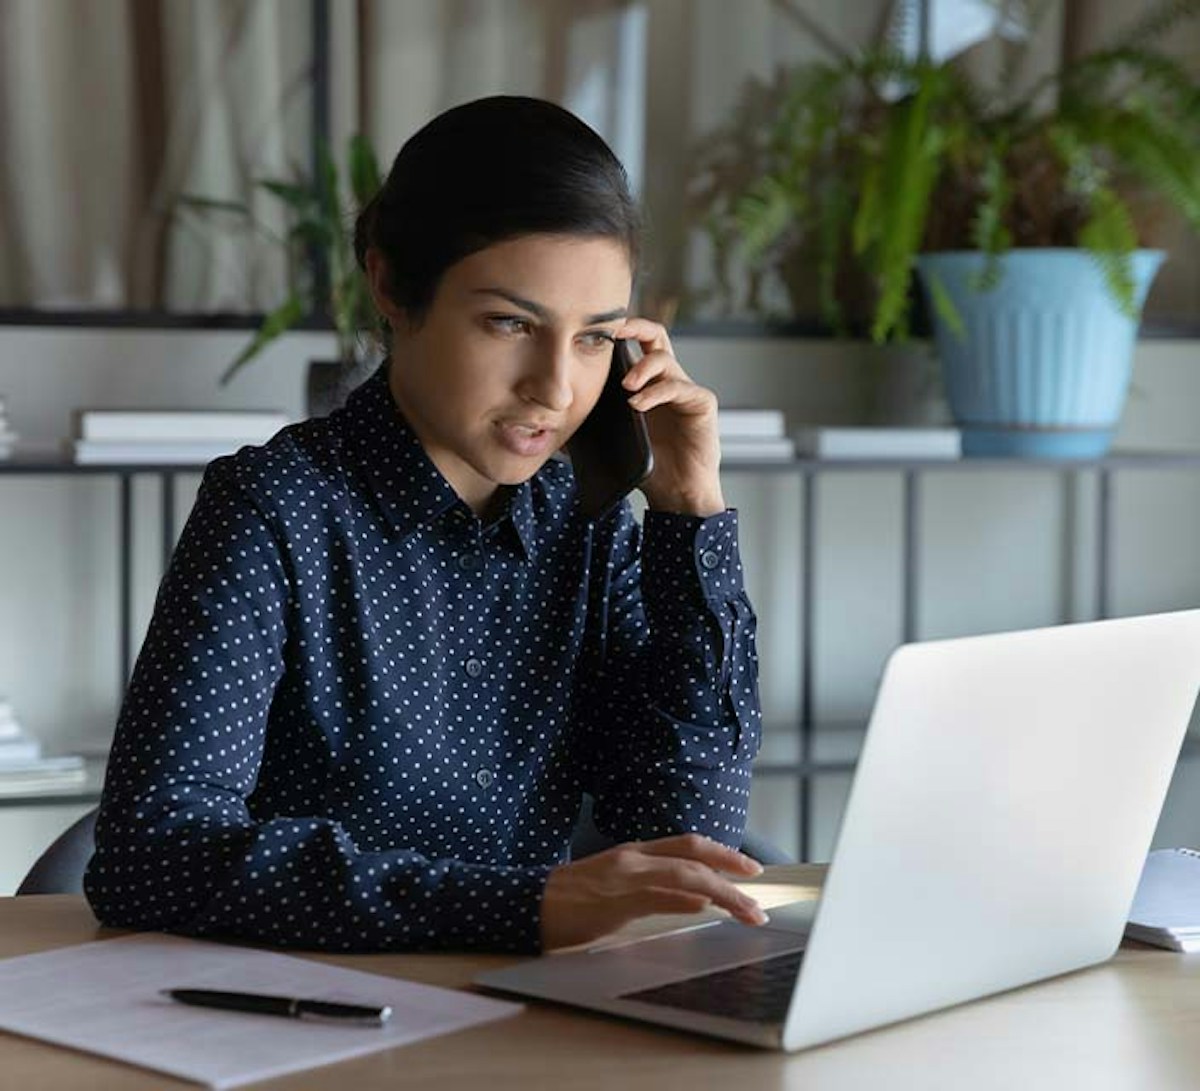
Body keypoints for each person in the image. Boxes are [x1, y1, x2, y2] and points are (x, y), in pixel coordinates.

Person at [84, 95, 766, 953]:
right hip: (305, 1021)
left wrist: (688, 506)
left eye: (594, 339)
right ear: (392, 287)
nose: (554, 388)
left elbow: (683, 826)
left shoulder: (588, 524)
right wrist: (523, 907)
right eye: (510, 323)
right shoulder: (275, 509)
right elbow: (151, 855)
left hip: (534, 1019)